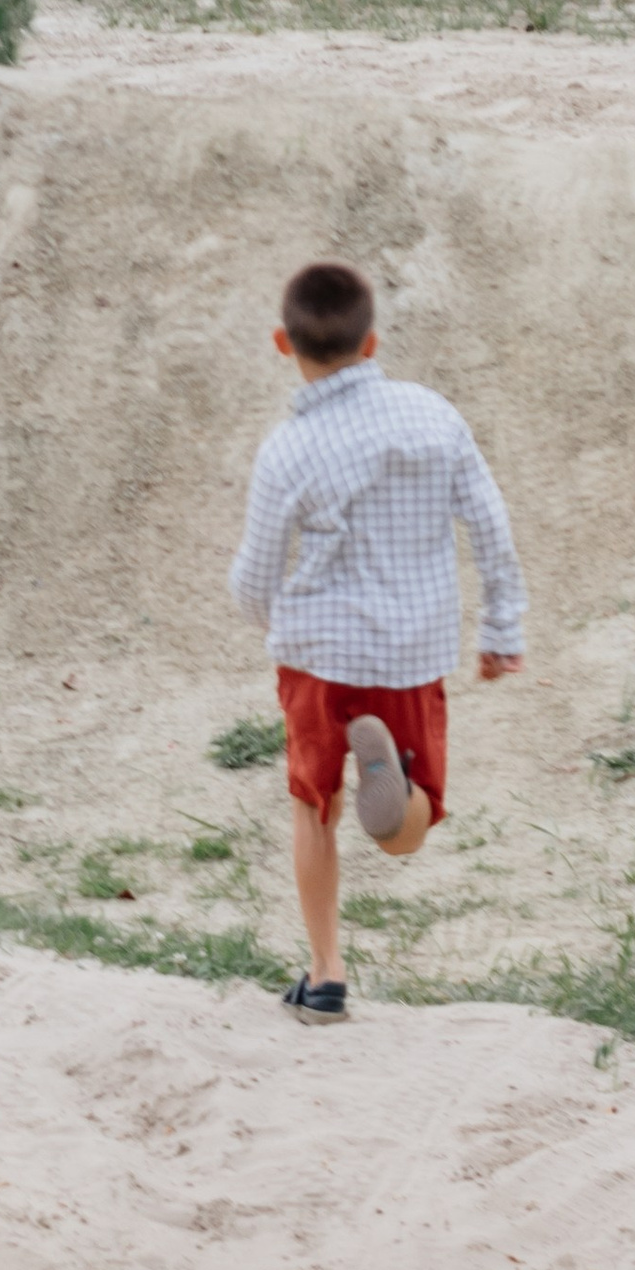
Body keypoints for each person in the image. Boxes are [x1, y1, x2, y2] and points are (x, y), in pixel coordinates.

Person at [228, 260, 526, 1023]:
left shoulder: (286, 448)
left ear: (279, 341)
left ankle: (326, 973)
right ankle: (398, 803)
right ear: (373, 342)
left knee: (312, 804)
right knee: (405, 835)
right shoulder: (431, 414)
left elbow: (256, 573)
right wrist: (500, 628)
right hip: (412, 651)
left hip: (319, 655)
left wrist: (265, 619)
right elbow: (488, 521)